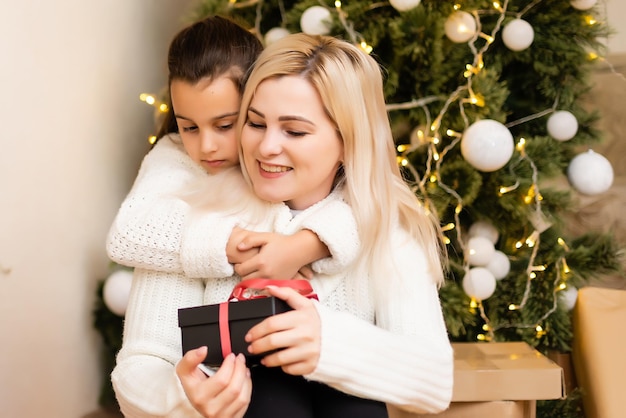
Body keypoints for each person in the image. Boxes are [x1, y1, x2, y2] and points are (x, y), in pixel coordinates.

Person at [176, 33, 454, 418]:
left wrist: (329, 344)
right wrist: (189, 401)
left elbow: (436, 383)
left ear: (347, 141)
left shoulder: (386, 230)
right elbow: (146, 362)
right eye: (255, 123)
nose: (266, 146)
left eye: (294, 131)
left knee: (352, 402)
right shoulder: (202, 217)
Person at [108, 17, 359, 417]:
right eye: (188, 126)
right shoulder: (176, 166)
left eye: (226, 124)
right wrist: (225, 244)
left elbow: (365, 210)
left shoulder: (297, 168)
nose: (206, 146)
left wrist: (306, 244)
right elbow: (126, 234)